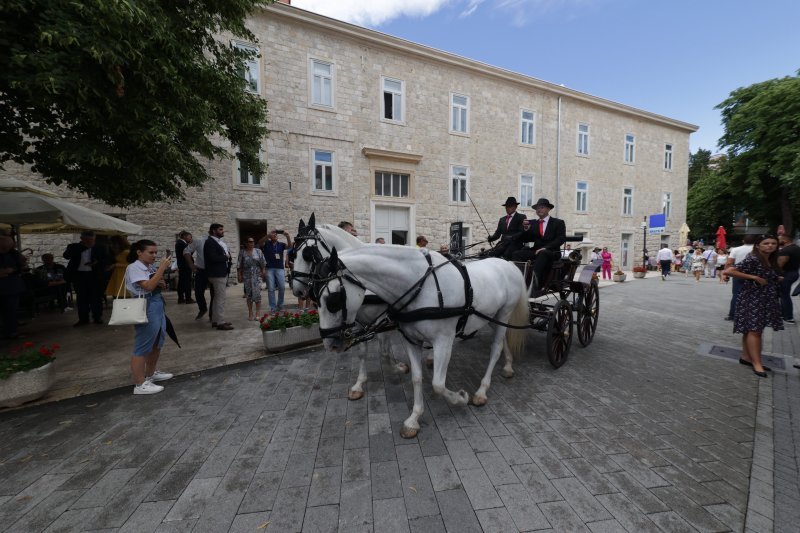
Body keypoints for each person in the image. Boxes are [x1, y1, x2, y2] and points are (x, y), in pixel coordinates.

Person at [723, 234, 783, 377]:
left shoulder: (770, 260)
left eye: (773, 243)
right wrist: (753, 277)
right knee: (755, 331)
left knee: (750, 329)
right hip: (752, 298)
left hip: (764, 298)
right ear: (758, 245)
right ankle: (757, 363)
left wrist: (776, 278)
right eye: (766, 243)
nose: (770, 246)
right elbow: (728, 271)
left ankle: (746, 357)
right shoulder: (754, 259)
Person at [124, 239, 174, 394]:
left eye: (155, 252)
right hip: (145, 304)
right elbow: (148, 286)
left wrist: (161, 282)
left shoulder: (149, 267)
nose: (154, 255)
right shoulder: (134, 267)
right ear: (139, 252)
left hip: (156, 303)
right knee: (143, 343)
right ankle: (140, 384)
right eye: (150, 252)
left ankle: (151, 374)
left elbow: (156, 283)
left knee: (157, 340)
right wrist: (162, 268)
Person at [511, 198, 566, 290]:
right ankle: (520, 280)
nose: (539, 210)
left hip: (551, 252)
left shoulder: (558, 222)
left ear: (548, 209)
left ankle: (535, 283)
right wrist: (526, 230)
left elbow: (561, 239)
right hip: (536, 251)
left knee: (543, 253)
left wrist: (546, 248)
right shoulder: (533, 223)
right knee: (516, 254)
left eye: (542, 207)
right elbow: (527, 239)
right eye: (537, 208)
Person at [63, 230, 112, 326]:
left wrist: (96, 262)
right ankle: (83, 319)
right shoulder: (74, 247)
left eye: (91, 240)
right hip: (79, 276)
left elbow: (108, 259)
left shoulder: (100, 247)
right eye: (87, 240)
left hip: (95, 276)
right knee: (81, 298)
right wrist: (82, 248)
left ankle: (97, 317)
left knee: (96, 298)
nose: (89, 242)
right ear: (81, 239)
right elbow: (66, 256)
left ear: (94, 239)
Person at [204, 223, 233, 330]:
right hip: (217, 273)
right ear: (213, 231)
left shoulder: (216, 242)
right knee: (220, 298)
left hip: (219, 272)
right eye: (220, 229)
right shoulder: (210, 242)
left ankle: (216, 320)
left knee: (217, 298)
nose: (222, 231)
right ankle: (220, 322)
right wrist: (226, 257)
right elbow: (212, 258)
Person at [0, 235, 27, 339]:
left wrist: (7, 271)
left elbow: (19, 267)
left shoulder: (13, 254)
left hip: (12, 287)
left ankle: (11, 331)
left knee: (11, 310)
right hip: (6, 286)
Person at [724, 234, 756, 320]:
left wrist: (726, 275)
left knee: (736, 295)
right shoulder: (758, 249)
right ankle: (751, 315)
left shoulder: (736, 249)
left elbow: (729, 263)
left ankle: (733, 315)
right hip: (755, 275)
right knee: (754, 295)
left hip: (738, 273)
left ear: (743, 241)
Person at [260, 229, 292, 313]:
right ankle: (273, 307)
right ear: (270, 237)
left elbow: (290, 246)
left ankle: (280, 305)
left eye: (276, 235)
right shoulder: (266, 244)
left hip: (280, 268)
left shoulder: (281, 244)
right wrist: (268, 235)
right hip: (269, 268)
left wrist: (287, 236)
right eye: (273, 234)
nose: (275, 235)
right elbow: (259, 242)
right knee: (271, 289)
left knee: (282, 287)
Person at [183, 230, 210, 320]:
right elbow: (186, 251)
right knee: (198, 292)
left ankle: (214, 316)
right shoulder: (200, 240)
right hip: (201, 271)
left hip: (214, 271)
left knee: (215, 294)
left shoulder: (221, 242)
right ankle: (202, 308)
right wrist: (191, 265)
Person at [237, 237, 266, 320]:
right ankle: (250, 313)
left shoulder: (258, 251)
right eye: (249, 242)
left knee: (257, 295)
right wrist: (239, 275)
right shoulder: (242, 252)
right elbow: (239, 265)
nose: (251, 243)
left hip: (257, 275)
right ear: (246, 243)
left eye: (253, 242)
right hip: (247, 276)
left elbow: (263, 262)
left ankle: (257, 313)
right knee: (248, 295)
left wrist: (263, 271)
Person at [777, 235, 799, 324]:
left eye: (779, 239)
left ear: (785, 240)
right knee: (784, 295)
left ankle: (788, 317)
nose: (778, 241)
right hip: (794, 273)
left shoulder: (785, 250)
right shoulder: (797, 248)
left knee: (784, 296)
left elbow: (780, 265)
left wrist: (776, 274)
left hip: (786, 275)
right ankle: (783, 314)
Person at [175, 231, 195, 304]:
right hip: (185, 265)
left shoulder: (180, 243)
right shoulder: (181, 243)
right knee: (186, 282)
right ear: (185, 236)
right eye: (190, 237)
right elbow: (188, 253)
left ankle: (181, 298)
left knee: (182, 282)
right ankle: (188, 298)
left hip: (183, 265)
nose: (191, 238)